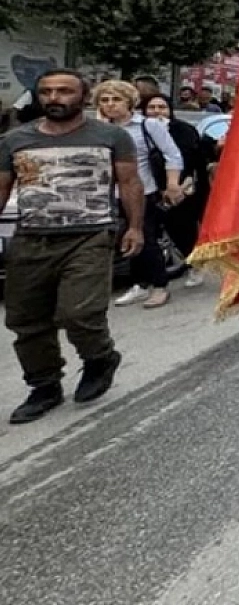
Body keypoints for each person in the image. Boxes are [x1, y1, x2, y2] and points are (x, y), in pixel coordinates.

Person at [1, 71, 143, 423]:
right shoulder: (14, 140)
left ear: (83, 97)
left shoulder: (111, 136)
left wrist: (135, 227)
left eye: (65, 91)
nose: (55, 98)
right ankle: (44, 385)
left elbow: (129, 182)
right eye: (47, 91)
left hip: (90, 236)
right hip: (31, 238)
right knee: (26, 319)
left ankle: (100, 357)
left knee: (78, 312)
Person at [96, 80, 185, 309]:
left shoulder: (148, 126)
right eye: (104, 100)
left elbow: (172, 155)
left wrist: (173, 184)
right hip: (108, 193)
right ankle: (138, 284)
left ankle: (159, 285)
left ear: (129, 102)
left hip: (143, 191)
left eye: (116, 99)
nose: (110, 105)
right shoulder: (98, 130)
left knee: (145, 239)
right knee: (121, 240)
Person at [140, 93, 211, 288]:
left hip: (183, 187)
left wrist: (178, 184)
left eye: (161, 107)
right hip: (150, 187)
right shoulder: (140, 130)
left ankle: (195, 263)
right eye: (152, 108)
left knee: (183, 227)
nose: (157, 112)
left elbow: (190, 157)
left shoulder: (183, 130)